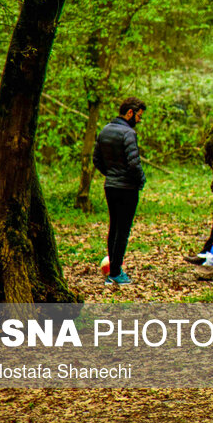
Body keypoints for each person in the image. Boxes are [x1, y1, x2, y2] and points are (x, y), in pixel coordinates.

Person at [93, 97, 147, 285]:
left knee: (114, 227)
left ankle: (115, 269)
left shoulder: (105, 130)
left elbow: (97, 161)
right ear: (130, 113)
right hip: (127, 188)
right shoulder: (128, 133)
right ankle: (115, 273)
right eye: (139, 116)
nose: (139, 120)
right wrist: (141, 180)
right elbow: (134, 163)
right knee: (122, 230)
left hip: (110, 186)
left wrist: (111, 175)